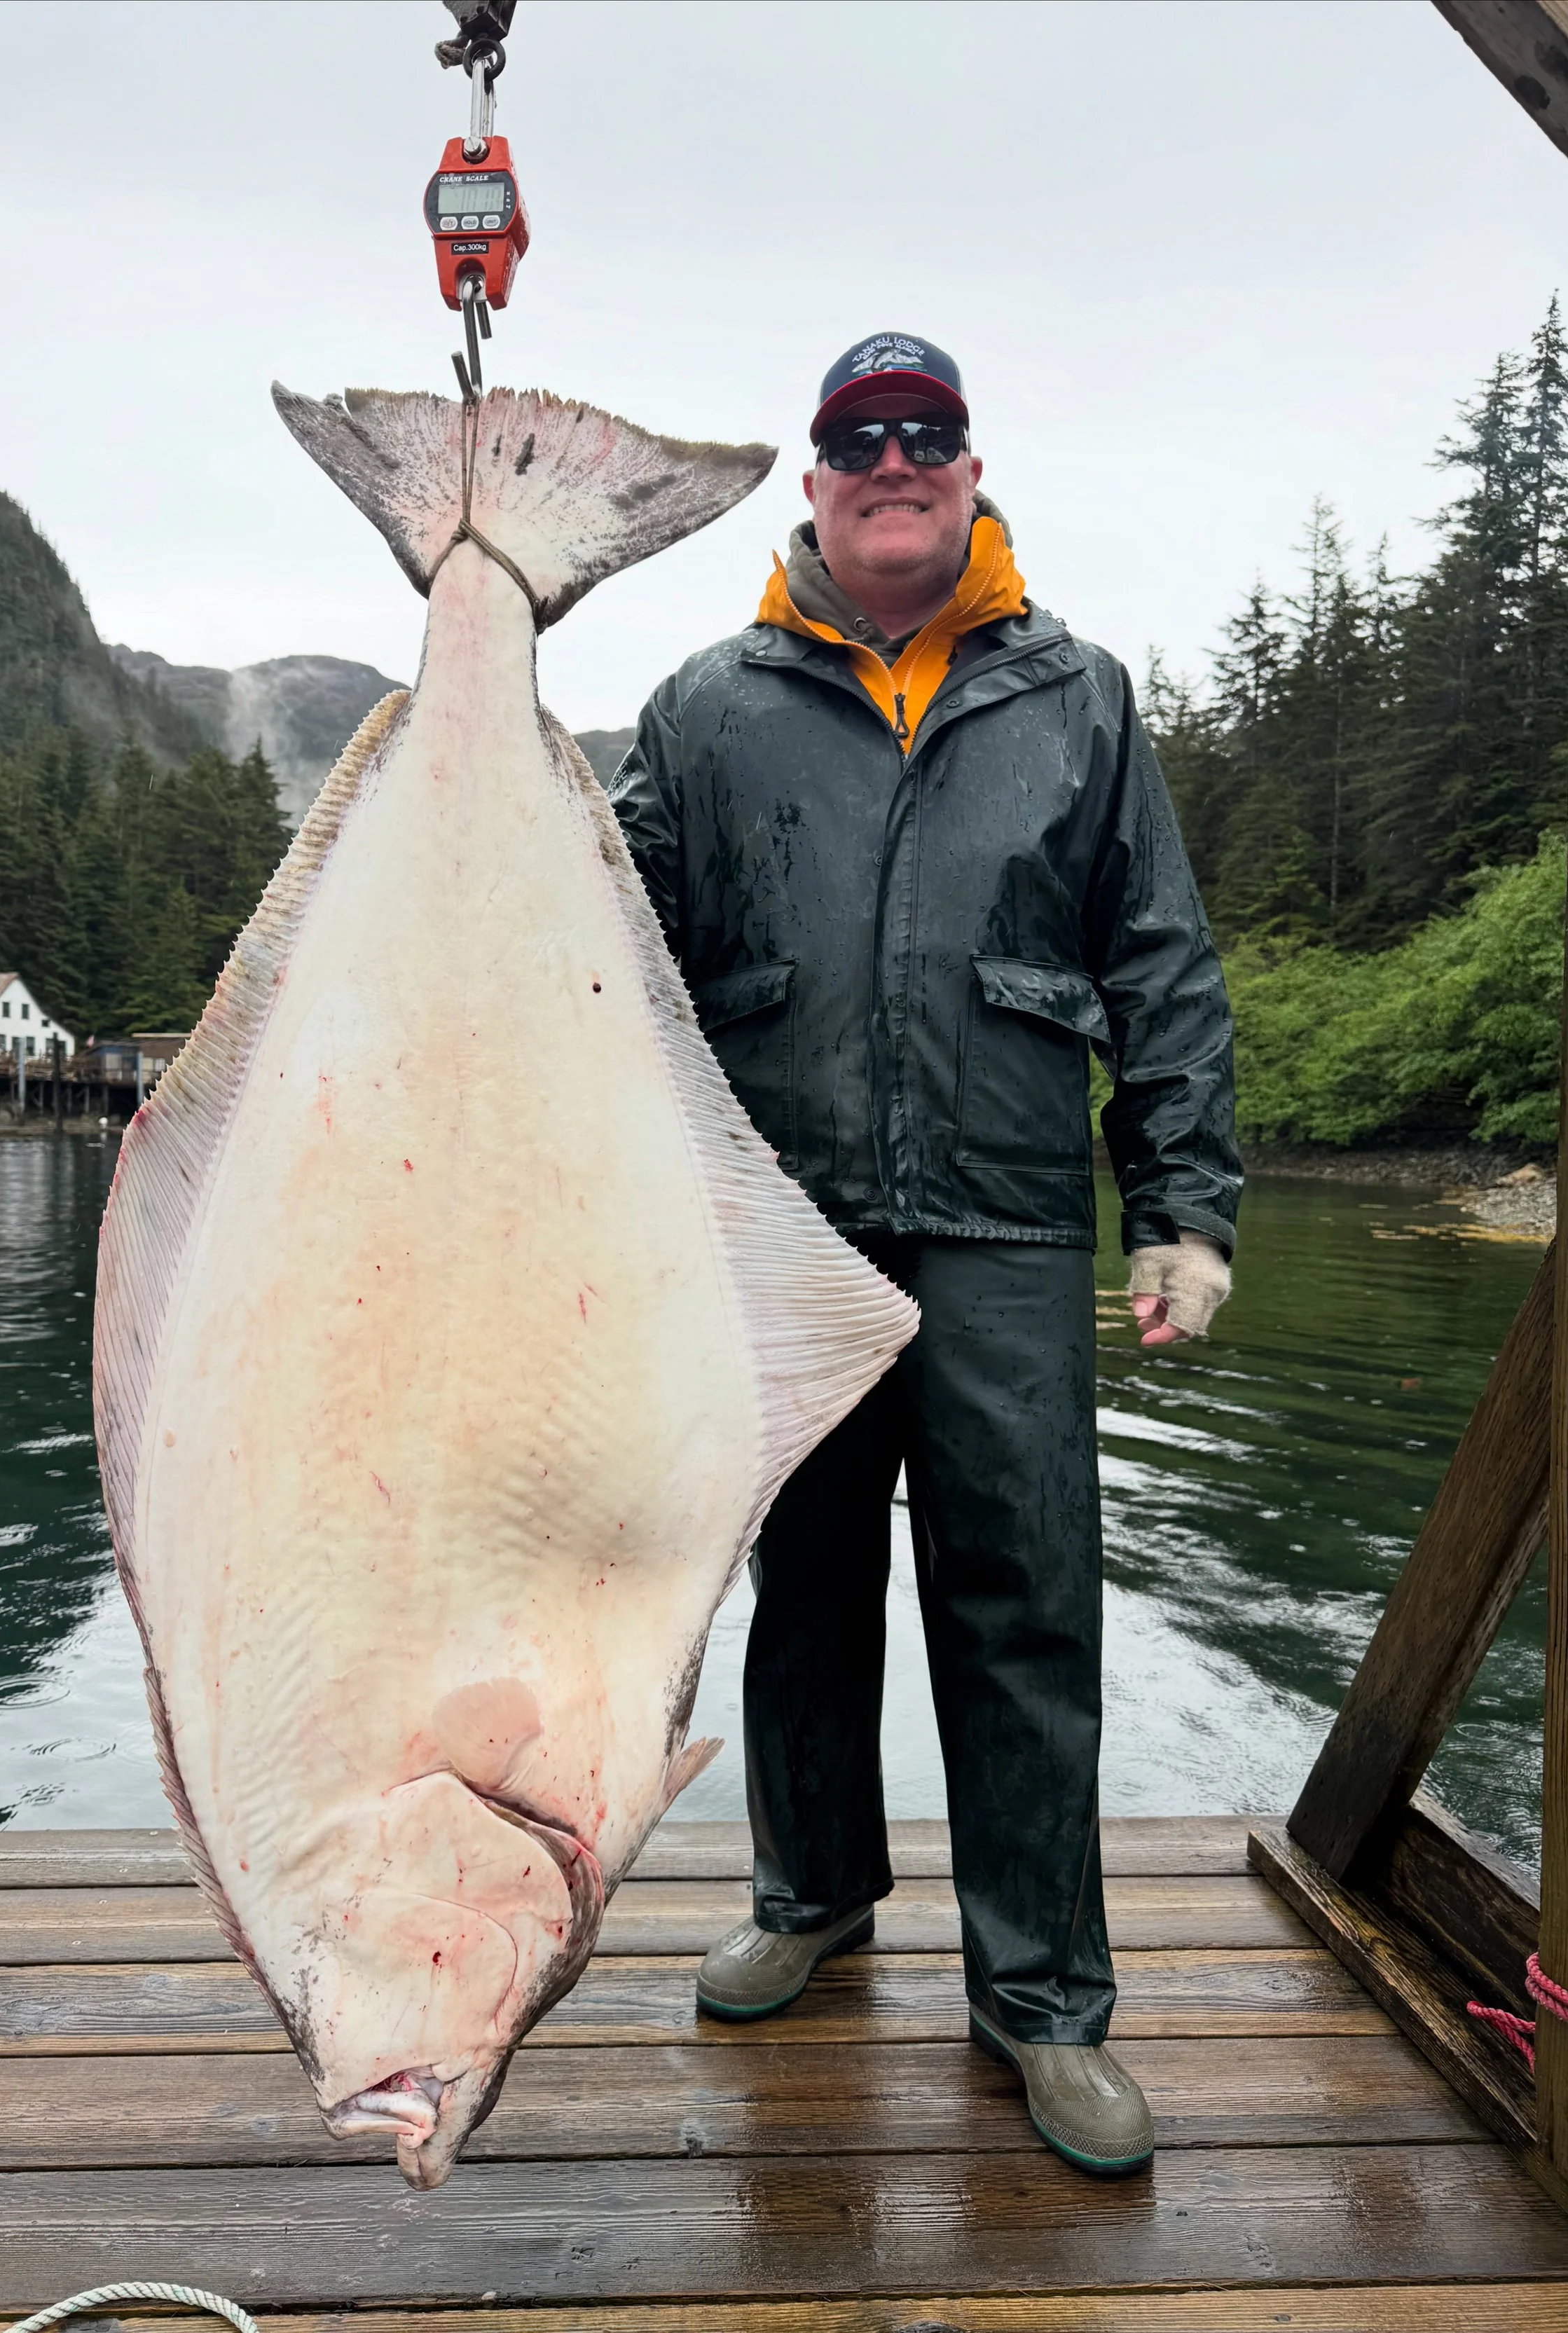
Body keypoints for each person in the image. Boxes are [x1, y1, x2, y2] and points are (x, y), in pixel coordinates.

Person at [606, 333, 1239, 2176]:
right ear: (811, 484)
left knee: (1023, 1608)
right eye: (857, 439)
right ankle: (811, 1897)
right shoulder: (700, 709)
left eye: (928, 438)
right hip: (777, 1225)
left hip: (1009, 1222)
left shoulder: (1081, 698)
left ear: (970, 476)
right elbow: (605, 959)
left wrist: (1184, 1203)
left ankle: (1041, 1998)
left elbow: (1160, 969)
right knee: (800, 1592)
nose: (895, 460)